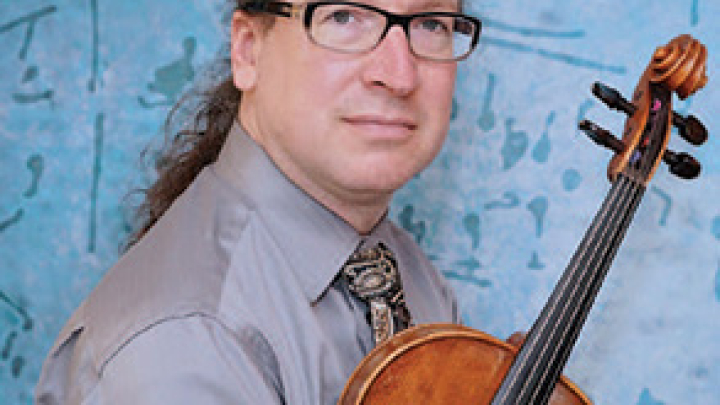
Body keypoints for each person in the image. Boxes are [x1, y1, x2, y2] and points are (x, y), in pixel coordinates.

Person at [35, 0, 481, 403]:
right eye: (343, 16)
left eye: (430, 24)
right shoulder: (184, 342)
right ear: (248, 50)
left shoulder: (414, 280)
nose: (399, 75)